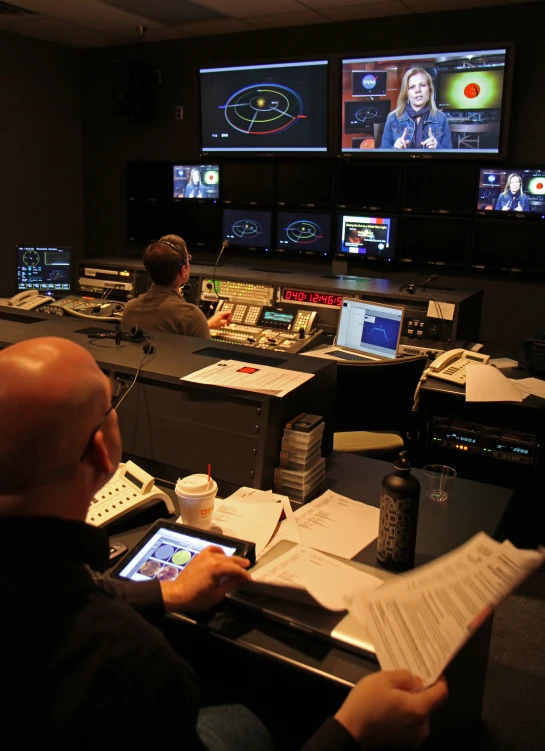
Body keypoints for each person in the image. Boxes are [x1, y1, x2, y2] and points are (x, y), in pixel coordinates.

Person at [0, 336, 449, 749]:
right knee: (246, 724)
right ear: (102, 452)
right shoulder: (131, 663)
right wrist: (352, 730)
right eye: (110, 404)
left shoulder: (49, 591)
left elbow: (46, 589)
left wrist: (165, 591)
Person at [121, 234, 231, 338]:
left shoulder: (130, 308)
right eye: (188, 258)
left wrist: (206, 325)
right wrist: (199, 324)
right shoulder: (191, 316)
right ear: (183, 270)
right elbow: (205, 356)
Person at [380, 68, 452, 150]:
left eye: (422, 85)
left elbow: (449, 155)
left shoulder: (441, 118)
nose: (418, 90)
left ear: (430, 90)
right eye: (412, 87)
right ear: (406, 93)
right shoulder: (393, 118)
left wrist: (437, 147)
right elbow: (383, 153)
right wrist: (395, 149)